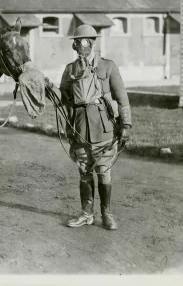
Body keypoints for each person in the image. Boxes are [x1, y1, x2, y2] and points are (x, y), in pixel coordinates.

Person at [44, 24, 132, 230]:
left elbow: (122, 97)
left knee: (103, 171)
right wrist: (49, 87)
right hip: (80, 127)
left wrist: (126, 124)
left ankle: (106, 214)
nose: (81, 46)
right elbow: (64, 97)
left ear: (93, 42)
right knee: (84, 171)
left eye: (86, 41)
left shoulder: (108, 67)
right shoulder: (70, 69)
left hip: (104, 127)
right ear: (74, 45)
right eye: (78, 42)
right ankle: (86, 214)